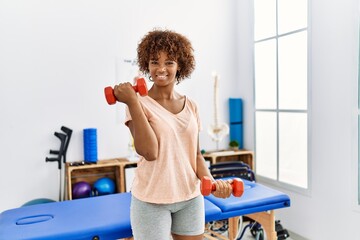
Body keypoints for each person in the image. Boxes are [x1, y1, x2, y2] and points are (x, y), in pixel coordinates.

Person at [113, 29, 233, 240]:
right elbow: (149, 151)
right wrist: (132, 101)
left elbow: (195, 156)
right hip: (151, 200)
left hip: (190, 197)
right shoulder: (138, 104)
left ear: (180, 66)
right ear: (146, 65)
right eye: (154, 62)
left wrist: (212, 183)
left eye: (169, 62)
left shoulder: (191, 106)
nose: (161, 68)